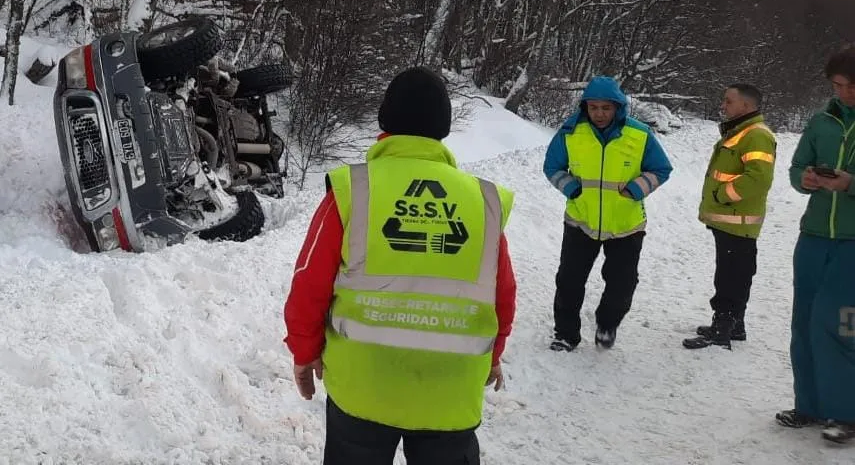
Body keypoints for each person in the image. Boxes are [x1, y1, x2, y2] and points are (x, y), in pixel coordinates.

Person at [283, 66, 517, 465]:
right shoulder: (483, 201)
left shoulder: (353, 189)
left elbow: (309, 283)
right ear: (444, 127)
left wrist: (304, 353)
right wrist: (493, 356)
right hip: (451, 393)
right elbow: (503, 294)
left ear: (384, 119)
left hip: (362, 388)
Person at [543, 76, 672, 351]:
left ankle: (607, 323)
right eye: (593, 108)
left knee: (622, 283)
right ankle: (565, 334)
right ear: (585, 107)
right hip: (580, 221)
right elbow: (552, 166)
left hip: (626, 225)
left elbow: (661, 169)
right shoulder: (570, 132)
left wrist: (637, 188)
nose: (599, 114)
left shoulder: (639, 134)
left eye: (606, 108)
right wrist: (571, 188)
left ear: (618, 107)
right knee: (569, 281)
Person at [776, 45, 855, 445]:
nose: (843, 93)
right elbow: (795, 167)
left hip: (852, 243)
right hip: (814, 236)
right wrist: (805, 179)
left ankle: (846, 413)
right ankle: (808, 405)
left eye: (850, 85)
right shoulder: (821, 121)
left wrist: (850, 184)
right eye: (837, 85)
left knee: (842, 324)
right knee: (805, 321)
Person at [682, 84, 776, 350]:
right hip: (731, 220)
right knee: (733, 273)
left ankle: (722, 328)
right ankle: (735, 326)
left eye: (728, 101)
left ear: (746, 105)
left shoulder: (756, 135)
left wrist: (723, 194)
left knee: (731, 276)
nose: (723, 105)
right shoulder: (741, 131)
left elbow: (758, 178)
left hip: (738, 221)